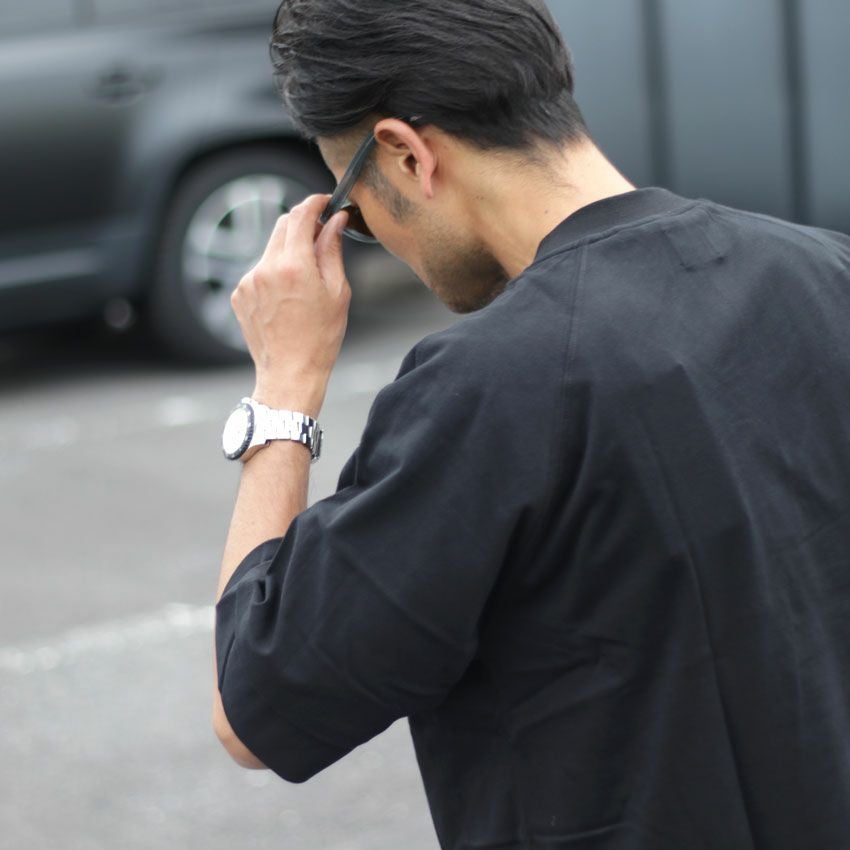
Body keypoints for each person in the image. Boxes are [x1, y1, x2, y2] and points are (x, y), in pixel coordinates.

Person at [211, 1, 850, 847]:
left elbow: (254, 707)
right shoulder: (824, 271)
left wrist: (284, 391)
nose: (373, 237)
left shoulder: (488, 386)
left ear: (405, 153)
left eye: (354, 213)